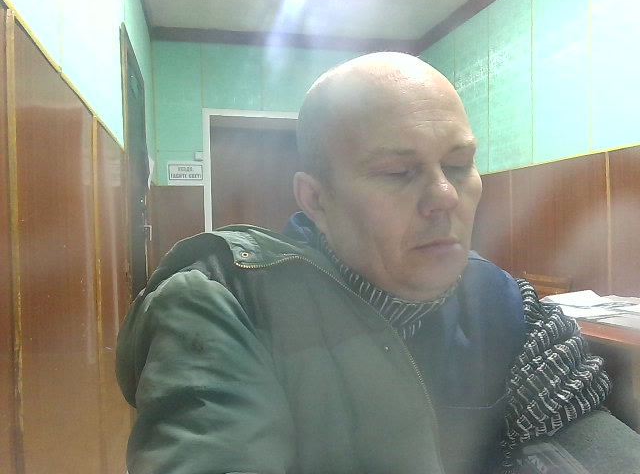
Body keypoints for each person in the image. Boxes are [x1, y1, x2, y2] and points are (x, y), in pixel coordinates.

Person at [116, 52, 640, 474]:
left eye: (459, 165)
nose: (445, 196)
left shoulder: (504, 302)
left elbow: (588, 442)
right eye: (397, 172)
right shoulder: (224, 304)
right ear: (317, 200)